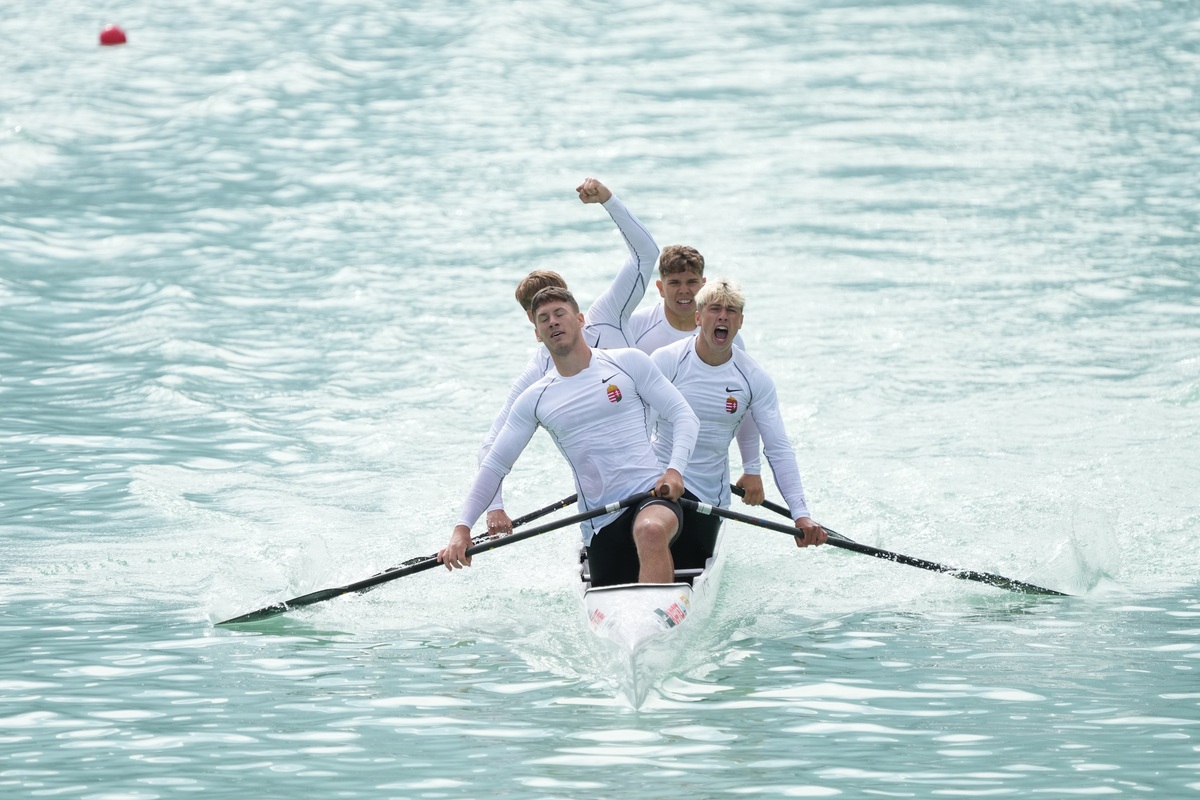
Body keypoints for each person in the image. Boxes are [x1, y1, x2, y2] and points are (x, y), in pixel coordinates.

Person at [439, 287, 701, 586]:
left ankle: (658, 617)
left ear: (580, 320)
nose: (552, 322)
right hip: (600, 521)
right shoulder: (535, 399)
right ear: (537, 334)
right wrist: (462, 528)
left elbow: (684, 415)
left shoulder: (628, 363)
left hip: (652, 497)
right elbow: (495, 465)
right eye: (543, 319)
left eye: (560, 314)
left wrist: (674, 470)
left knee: (651, 531)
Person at [479, 178, 659, 536]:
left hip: (658, 466)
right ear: (531, 320)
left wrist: (608, 200)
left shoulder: (607, 313)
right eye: (538, 313)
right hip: (604, 496)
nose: (551, 318)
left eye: (556, 306)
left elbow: (646, 255)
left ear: (568, 300)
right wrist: (495, 507)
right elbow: (493, 443)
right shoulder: (539, 374)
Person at [649, 278, 827, 567]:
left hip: (708, 495)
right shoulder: (666, 361)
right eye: (715, 309)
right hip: (659, 481)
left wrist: (801, 513)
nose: (723, 316)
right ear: (698, 317)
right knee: (652, 533)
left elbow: (779, 448)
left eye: (731, 311)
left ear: (740, 322)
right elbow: (638, 425)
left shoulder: (753, 378)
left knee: (683, 564)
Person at [627, 245, 766, 508]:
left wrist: (751, 468)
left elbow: (744, 408)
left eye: (692, 282)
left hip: (711, 472)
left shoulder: (733, 341)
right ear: (660, 287)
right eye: (674, 282)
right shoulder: (637, 328)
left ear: (703, 285)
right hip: (658, 462)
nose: (684, 290)